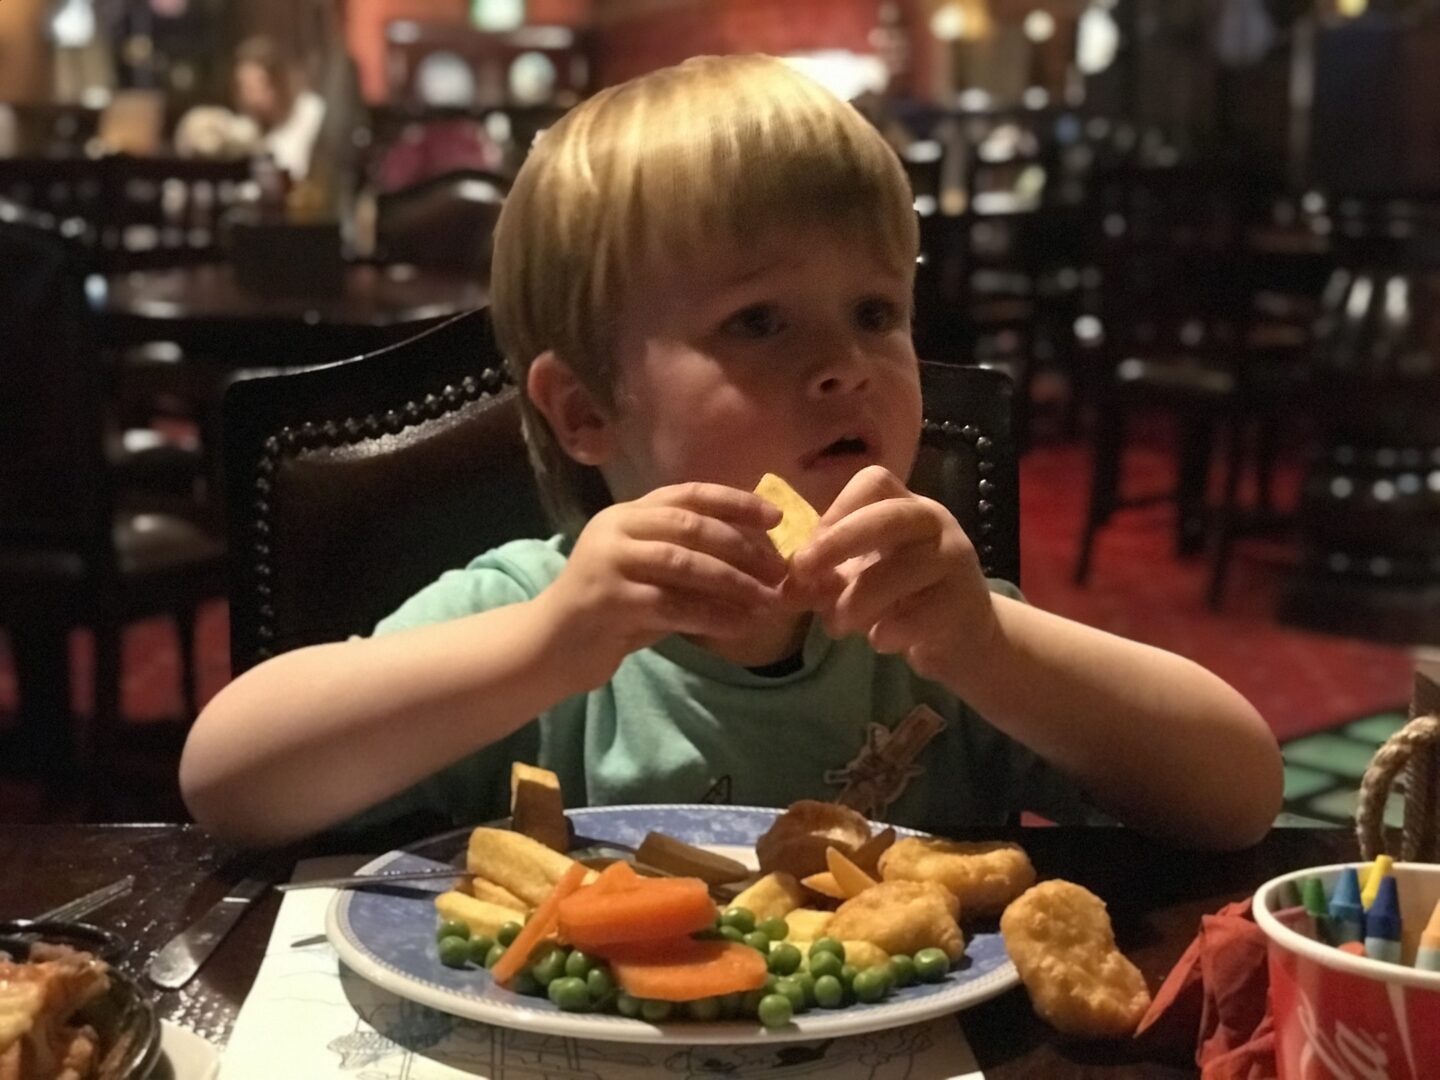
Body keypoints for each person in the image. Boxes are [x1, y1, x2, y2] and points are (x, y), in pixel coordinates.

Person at [179, 55, 1283, 850]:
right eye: (759, 322)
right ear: (585, 412)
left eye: (875, 311)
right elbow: (228, 780)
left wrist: (993, 648)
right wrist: (545, 648)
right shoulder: (542, 614)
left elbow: (1239, 794)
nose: (846, 365)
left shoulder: (934, 629)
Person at [231, 35, 326, 182]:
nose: (248, 97)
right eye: (243, 87)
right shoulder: (249, 128)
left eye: (253, 87)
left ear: (277, 83)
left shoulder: (311, 112)